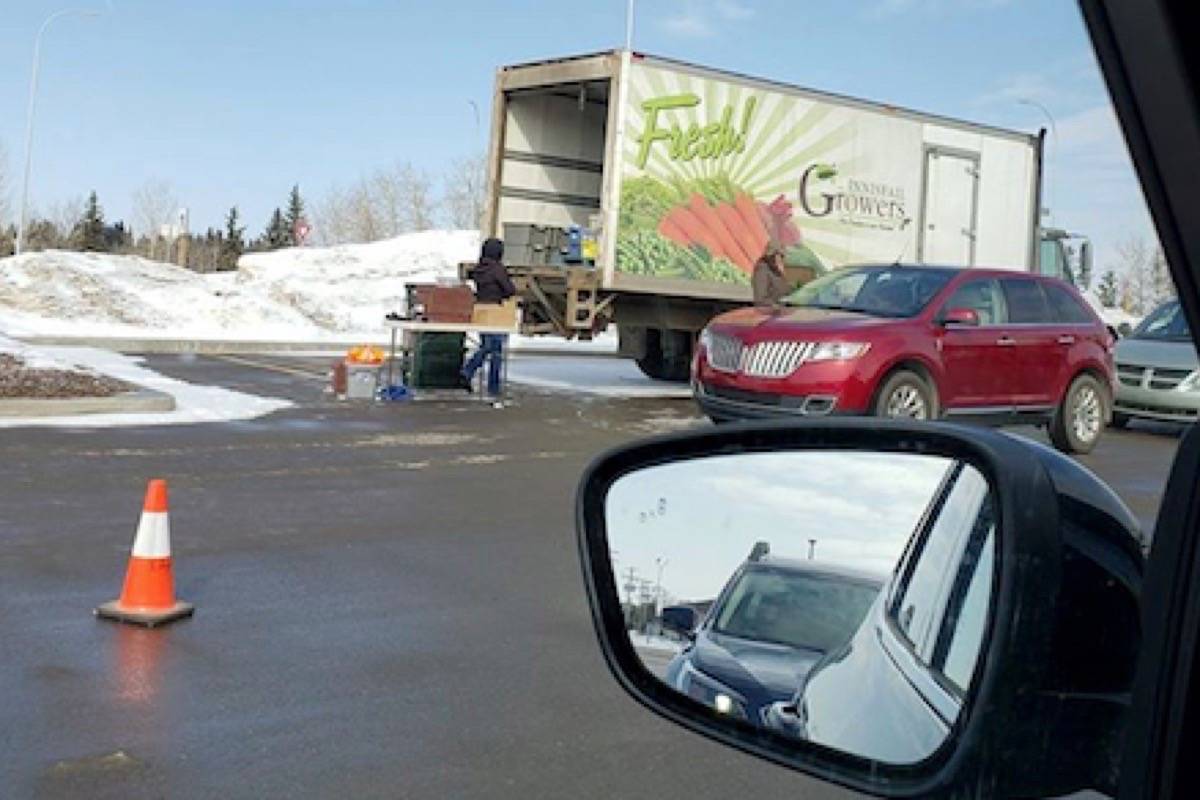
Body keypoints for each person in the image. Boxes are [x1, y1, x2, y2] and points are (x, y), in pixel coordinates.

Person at [460, 237, 516, 397]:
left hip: (480, 311)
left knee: (486, 346)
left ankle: (468, 372)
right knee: (495, 351)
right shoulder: (498, 269)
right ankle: (490, 385)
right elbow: (509, 290)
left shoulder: (479, 269)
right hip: (496, 312)